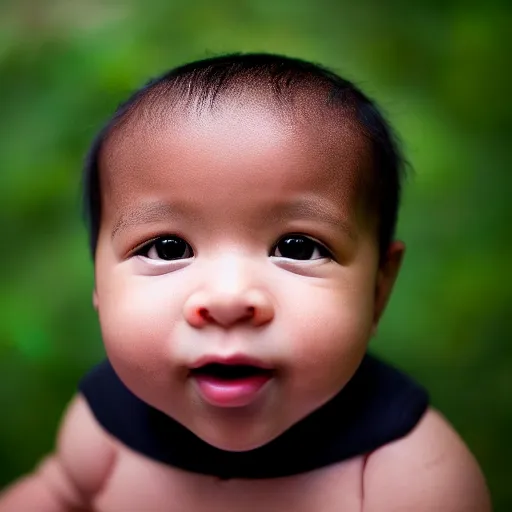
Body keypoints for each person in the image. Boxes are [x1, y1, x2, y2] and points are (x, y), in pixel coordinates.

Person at [0, 53, 491, 511]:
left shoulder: (408, 474)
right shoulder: (104, 424)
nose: (230, 298)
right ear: (100, 286)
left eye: (298, 248)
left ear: (379, 289)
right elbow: (56, 493)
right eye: (167, 249)